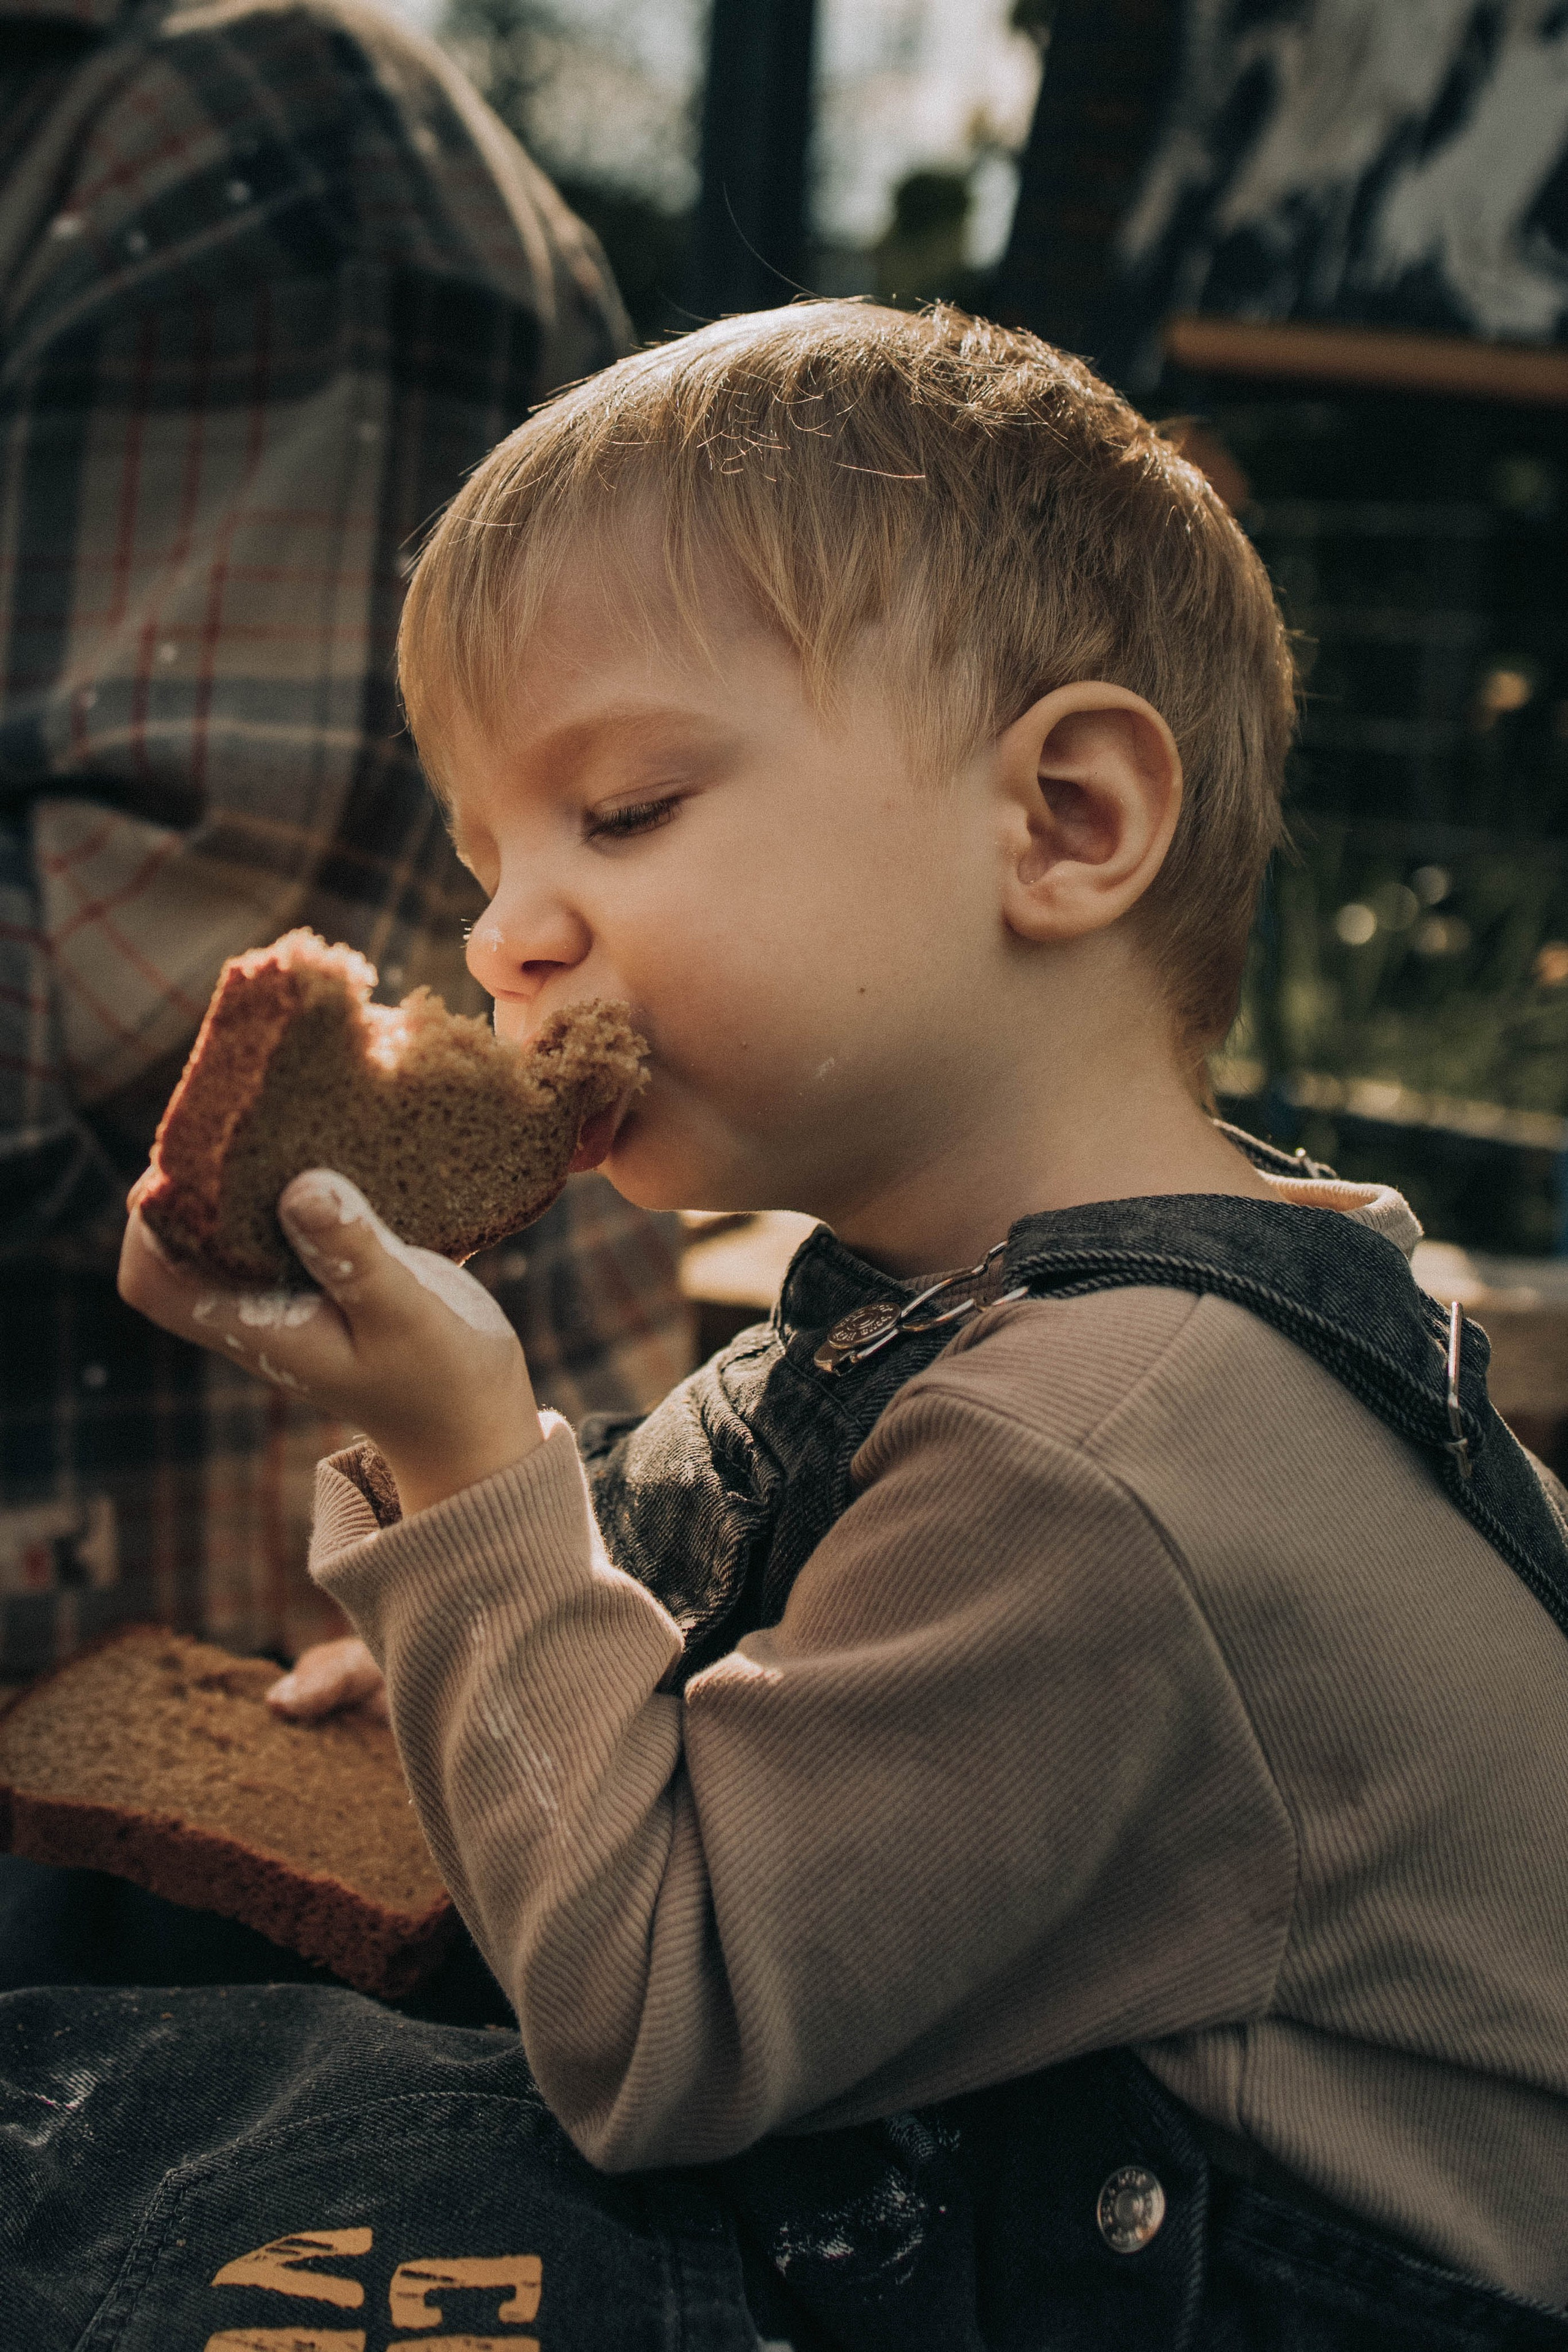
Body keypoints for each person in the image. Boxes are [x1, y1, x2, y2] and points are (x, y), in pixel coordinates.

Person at [14, 300, 1568, 2348]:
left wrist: (473, 1475)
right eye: (488, 855)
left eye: (626, 811)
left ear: (1068, 821)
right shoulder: (951, 1306)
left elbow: (663, 2024)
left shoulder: (1108, 1446)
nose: (503, 934)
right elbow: (644, 1579)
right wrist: (451, 1656)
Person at [0, 0, 694, 1694]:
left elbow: (165, 1007)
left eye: (629, 818)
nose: (509, 945)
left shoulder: (254, 147)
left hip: (227, 1598)